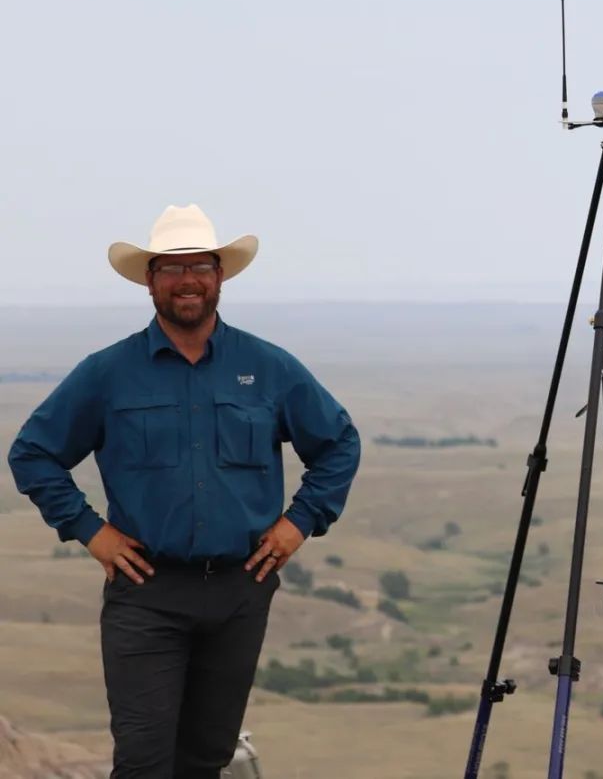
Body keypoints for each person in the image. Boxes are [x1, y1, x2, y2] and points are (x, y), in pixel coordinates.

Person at [7, 204, 361, 778]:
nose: (186, 280)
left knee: (205, 760)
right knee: (144, 763)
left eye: (199, 265)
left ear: (220, 276)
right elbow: (33, 452)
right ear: (149, 281)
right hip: (146, 593)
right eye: (171, 268)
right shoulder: (109, 373)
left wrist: (301, 521)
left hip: (240, 592)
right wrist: (91, 532)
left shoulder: (268, 367)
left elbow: (339, 442)